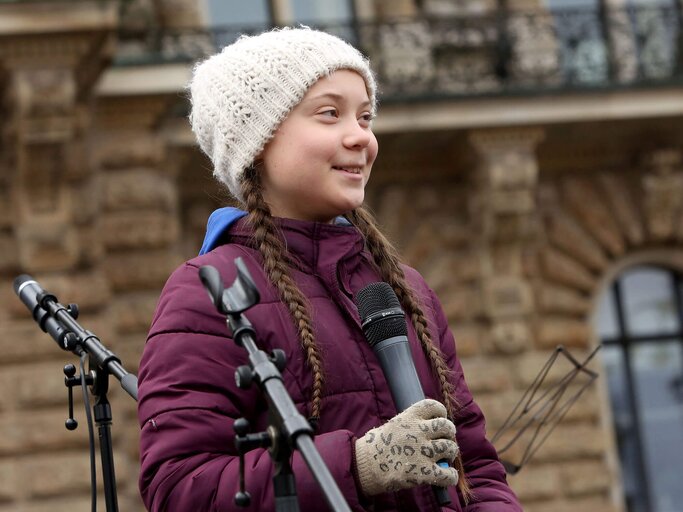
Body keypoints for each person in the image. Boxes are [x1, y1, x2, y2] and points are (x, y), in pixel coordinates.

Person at [137, 27, 522, 512]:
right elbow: (178, 487)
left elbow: (476, 465)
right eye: (329, 113)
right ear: (257, 141)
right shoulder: (209, 291)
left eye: (365, 116)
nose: (361, 135)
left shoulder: (404, 287)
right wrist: (357, 466)